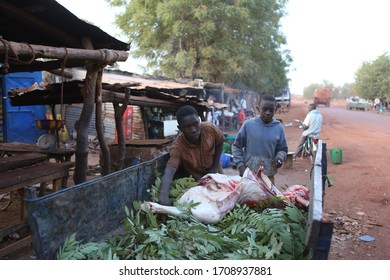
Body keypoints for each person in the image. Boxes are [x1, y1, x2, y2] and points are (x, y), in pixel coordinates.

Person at [158, 105, 225, 205]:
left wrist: (214, 167)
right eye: (187, 127)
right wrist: (163, 194)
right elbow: (170, 169)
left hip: (217, 175)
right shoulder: (178, 146)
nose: (193, 129)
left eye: (195, 124)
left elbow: (220, 142)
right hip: (197, 185)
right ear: (180, 128)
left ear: (199, 120)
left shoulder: (209, 129)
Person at [232, 94, 288, 184]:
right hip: (248, 175)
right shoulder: (248, 125)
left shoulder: (279, 128)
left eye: (271, 110)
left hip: (268, 177)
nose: (267, 113)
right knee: (248, 197)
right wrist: (240, 165)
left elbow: (283, 149)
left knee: (268, 198)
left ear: (276, 110)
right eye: (264, 109)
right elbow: (237, 146)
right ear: (258, 109)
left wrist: (280, 157)